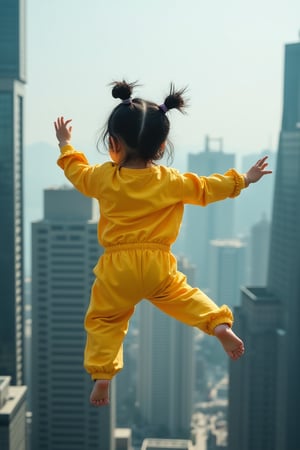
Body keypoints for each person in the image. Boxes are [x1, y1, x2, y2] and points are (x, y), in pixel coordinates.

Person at [54, 81, 272, 407]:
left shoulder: (103, 177)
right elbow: (208, 188)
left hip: (117, 267)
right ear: (161, 147)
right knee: (185, 297)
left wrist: (65, 145)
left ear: (112, 143)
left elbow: (77, 172)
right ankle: (218, 325)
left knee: (104, 320)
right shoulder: (170, 181)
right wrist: (244, 179)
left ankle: (102, 374)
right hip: (158, 264)